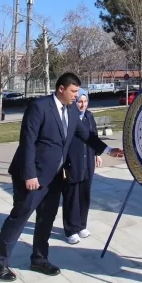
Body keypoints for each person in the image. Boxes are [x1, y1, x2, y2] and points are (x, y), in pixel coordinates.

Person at [0, 73, 123, 282]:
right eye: (73, 91)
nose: (76, 96)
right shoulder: (39, 107)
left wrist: (108, 150)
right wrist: (30, 174)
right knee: (20, 217)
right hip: (32, 177)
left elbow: (86, 135)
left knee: (46, 220)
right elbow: (28, 142)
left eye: (78, 92)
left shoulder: (71, 111)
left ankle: (39, 259)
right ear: (61, 88)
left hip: (54, 178)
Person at [62, 89, 101, 244]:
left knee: (84, 195)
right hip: (73, 162)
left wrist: (97, 153)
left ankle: (81, 225)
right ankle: (70, 229)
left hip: (87, 162)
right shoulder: (67, 118)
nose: (83, 104)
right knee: (72, 197)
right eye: (79, 101)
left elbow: (94, 135)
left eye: (85, 101)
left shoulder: (89, 116)